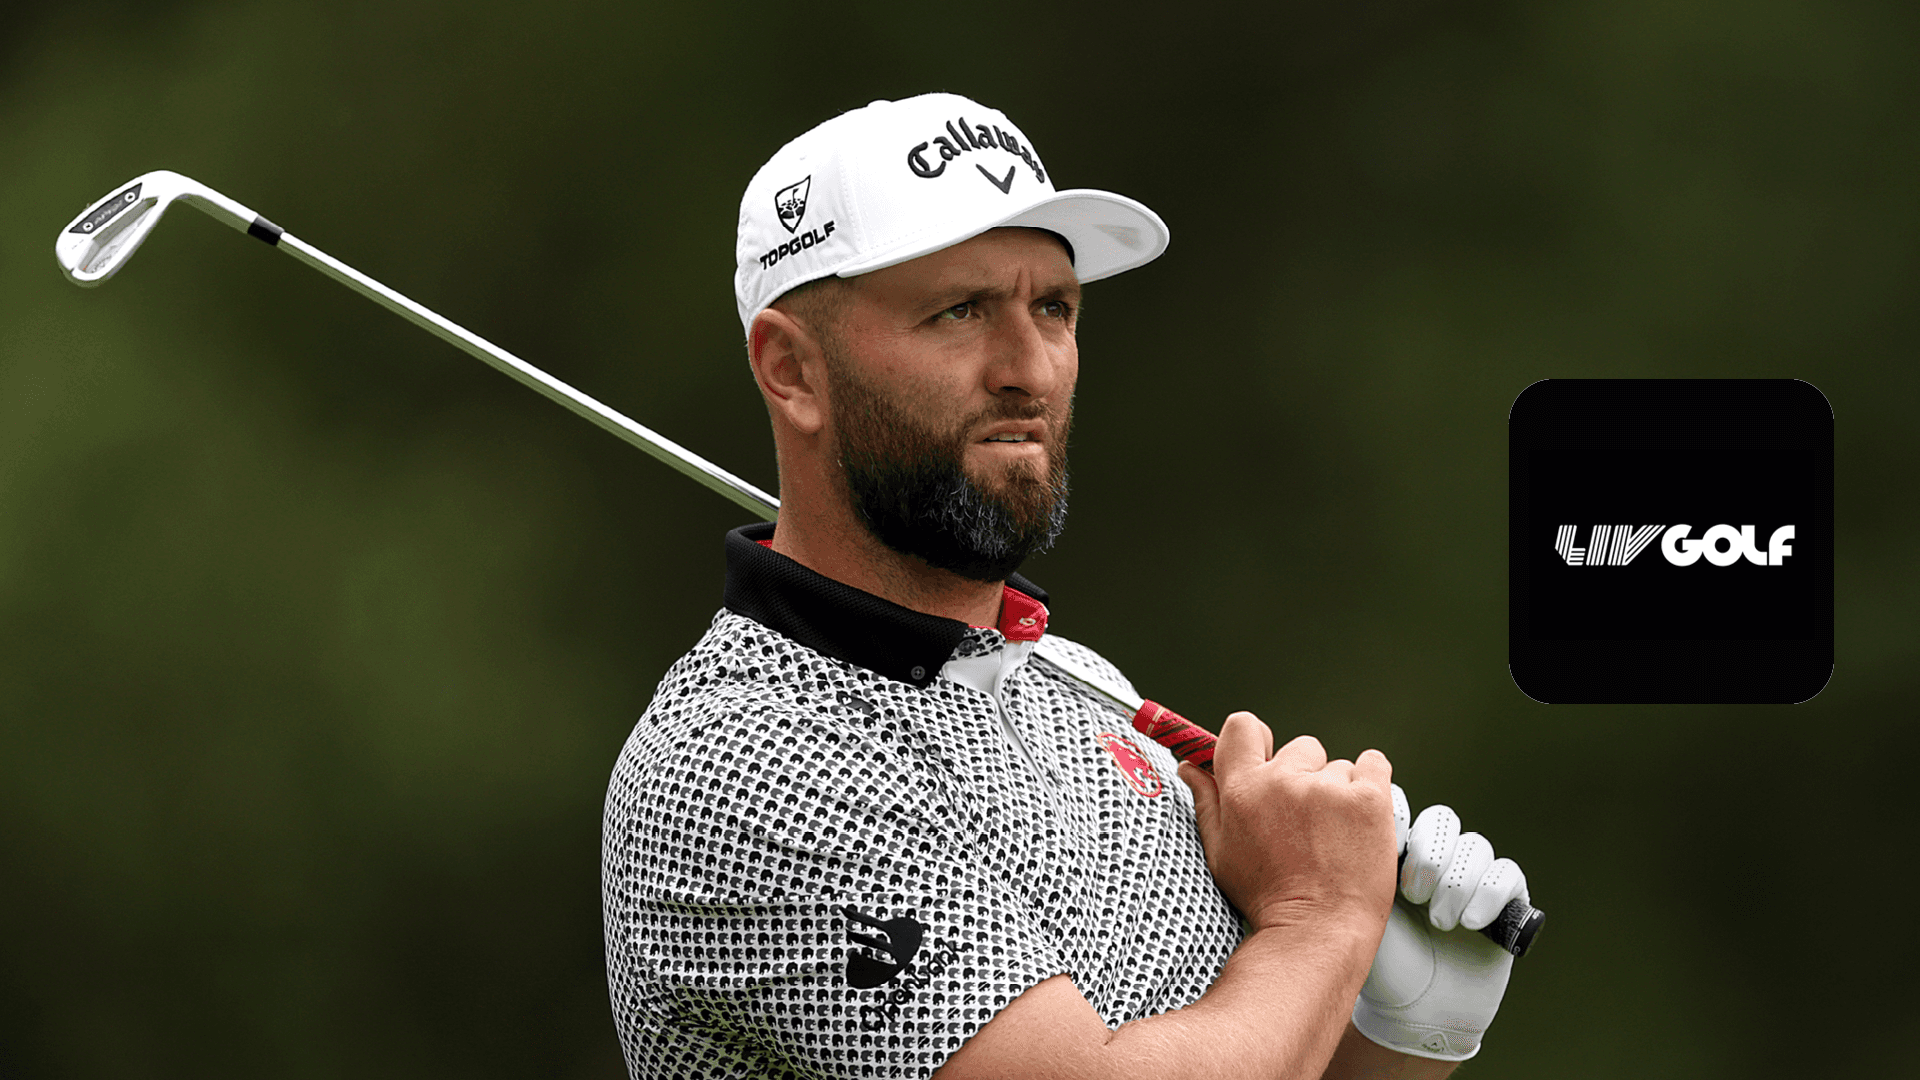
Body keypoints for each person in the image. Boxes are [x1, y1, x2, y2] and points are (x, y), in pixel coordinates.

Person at [601, 92, 1529, 1080]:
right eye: (960, 311)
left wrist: (1401, 1029)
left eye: (1053, 307)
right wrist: (1320, 919)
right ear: (792, 370)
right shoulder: (739, 765)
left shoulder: (1083, 691)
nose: (1030, 370)